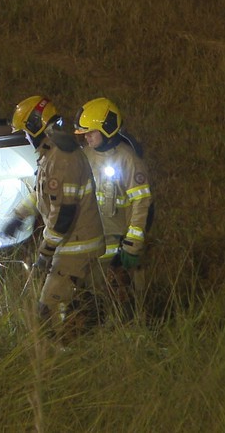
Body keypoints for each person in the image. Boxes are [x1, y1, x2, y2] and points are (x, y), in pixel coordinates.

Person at [3, 96, 106, 340]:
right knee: (78, 303)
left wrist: (45, 252)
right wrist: (18, 216)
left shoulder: (62, 160)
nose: (26, 139)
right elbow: (45, 196)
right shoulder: (52, 153)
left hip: (76, 246)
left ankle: (58, 357)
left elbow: (63, 215)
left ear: (35, 127)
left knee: (47, 312)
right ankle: (84, 342)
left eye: (25, 133)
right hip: (73, 243)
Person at [74, 97, 154, 309]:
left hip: (120, 240)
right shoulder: (86, 156)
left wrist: (133, 243)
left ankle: (136, 321)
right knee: (94, 290)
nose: (87, 138)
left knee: (126, 293)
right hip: (95, 236)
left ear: (107, 129)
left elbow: (142, 201)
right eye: (84, 134)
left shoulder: (128, 160)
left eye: (91, 132)